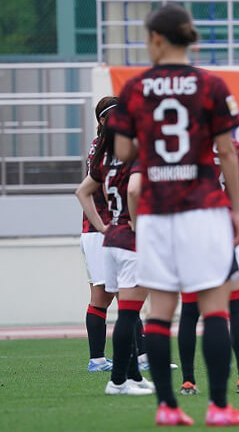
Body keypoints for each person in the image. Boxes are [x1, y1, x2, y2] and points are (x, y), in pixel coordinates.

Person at [108, 3, 239, 426]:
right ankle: (218, 407)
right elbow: (226, 151)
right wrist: (235, 209)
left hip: (156, 212)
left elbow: (123, 150)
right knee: (214, 308)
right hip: (203, 209)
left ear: (157, 38)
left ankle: (167, 407)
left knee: (160, 311)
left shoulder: (135, 88)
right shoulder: (210, 84)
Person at [178, 138, 239, 396]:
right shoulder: (235, 149)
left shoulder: (185, 147)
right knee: (236, 311)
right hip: (225, 236)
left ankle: (188, 382)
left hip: (192, 237)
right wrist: (234, 208)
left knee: (189, 313)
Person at [76, 107, 154, 396]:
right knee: (128, 310)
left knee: (126, 308)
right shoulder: (131, 158)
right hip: (126, 238)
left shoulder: (104, 159)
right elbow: (134, 191)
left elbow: (82, 191)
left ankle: (132, 374)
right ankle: (120, 379)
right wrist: (136, 223)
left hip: (110, 237)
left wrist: (103, 226)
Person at [81, 97, 117, 373]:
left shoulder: (108, 144)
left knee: (117, 294)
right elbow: (98, 190)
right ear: (103, 120)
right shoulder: (106, 148)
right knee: (110, 295)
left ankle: (100, 359)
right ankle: (98, 359)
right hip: (102, 232)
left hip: (107, 230)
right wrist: (105, 226)